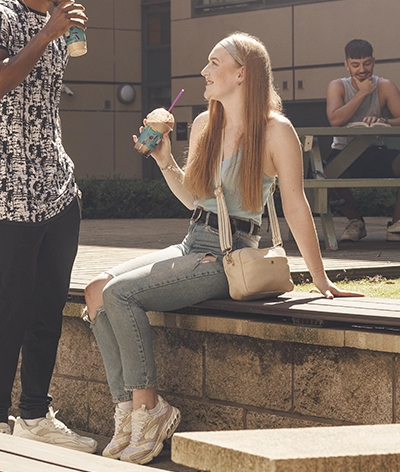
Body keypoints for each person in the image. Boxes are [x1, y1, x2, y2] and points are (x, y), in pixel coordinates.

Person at [84, 32, 363, 465]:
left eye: (214, 63)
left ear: (241, 73)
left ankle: (150, 409)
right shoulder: (202, 125)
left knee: (121, 293)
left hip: (228, 257)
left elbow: (295, 205)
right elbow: (194, 199)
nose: (204, 72)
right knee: (97, 288)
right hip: (192, 242)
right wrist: (163, 160)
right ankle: (127, 411)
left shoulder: (276, 132)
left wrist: (321, 278)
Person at [0, 0, 95, 452]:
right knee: (12, 305)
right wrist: (46, 34)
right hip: (12, 181)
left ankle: (35, 414)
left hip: (58, 182)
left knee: (50, 308)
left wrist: (63, 33)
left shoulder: (61, 21)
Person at [324, 39, 400, 243]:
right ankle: (355, 222)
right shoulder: (337, 86)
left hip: (376, 151)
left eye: (366, 63)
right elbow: (335, 120)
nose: (362, 69)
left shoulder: (384, 85)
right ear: (346, 64)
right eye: (356, 64)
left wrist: (384, 121)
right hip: (343, 152)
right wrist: (363, 93)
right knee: (324, 173)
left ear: (374, 62)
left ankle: (397, 224)